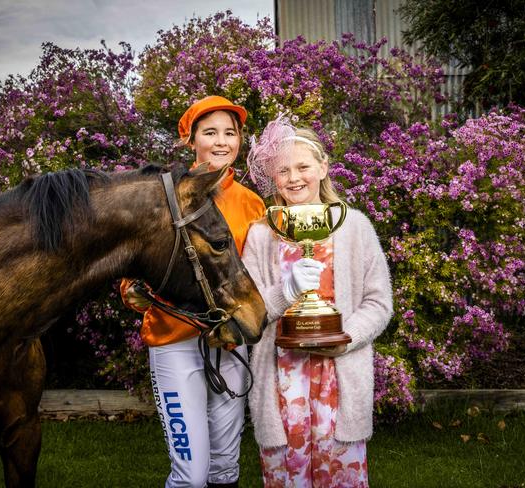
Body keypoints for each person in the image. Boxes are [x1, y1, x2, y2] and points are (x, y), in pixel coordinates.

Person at [120, 95, 266, 488]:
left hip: (230, 345)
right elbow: (137, 261)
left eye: (230, 133)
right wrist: (130, 288)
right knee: (191, 474)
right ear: (190, 140)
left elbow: (254, 273)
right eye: (210, 132)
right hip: (174, 340)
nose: (222, 142)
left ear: (240, 140)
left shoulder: (252, 203)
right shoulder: (163, 197)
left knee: (225, 467)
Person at [242, 115, 393, 487]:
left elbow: (378, 302)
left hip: (339, 377)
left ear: (323, 168)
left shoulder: (354, 226)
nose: (294, 178)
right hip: (280, 378)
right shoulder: (262, 235)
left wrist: (344, 339)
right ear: (272, 177)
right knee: (286, 475)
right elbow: (246, 309)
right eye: (282, 171)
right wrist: (285, 292)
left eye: (303, 167)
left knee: (339, 474)